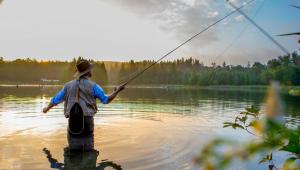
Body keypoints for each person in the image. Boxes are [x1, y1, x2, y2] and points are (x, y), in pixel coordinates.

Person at [43, 59, 125, 151]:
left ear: (79, 72)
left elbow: (55, 100)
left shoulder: (67, 86)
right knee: (88, 151)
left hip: (72, 123)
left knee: (72, 150)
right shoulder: (94, 86)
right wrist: (116, 91)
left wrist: (47, 108)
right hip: (87, 123)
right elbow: (105, 100)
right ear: (88, 71)